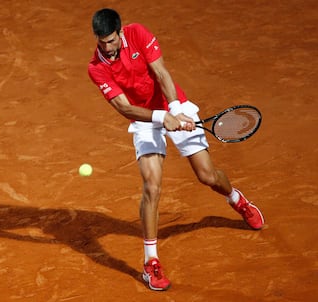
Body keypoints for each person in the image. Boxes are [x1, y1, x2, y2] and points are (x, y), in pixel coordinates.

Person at [87, 8, 265, 291]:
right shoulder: (96, 68)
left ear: (120, 33)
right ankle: (151, 263)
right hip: (146, 122)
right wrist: (161, 118)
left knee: (207, 176)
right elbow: (123, 107)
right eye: (101, 41)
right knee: (151, 187)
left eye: (110, 40)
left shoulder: (138, 33)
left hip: (174, 107)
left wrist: (176, 110)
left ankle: (236, 199)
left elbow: (161, 73)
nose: (106, 47)